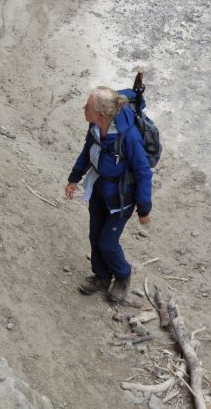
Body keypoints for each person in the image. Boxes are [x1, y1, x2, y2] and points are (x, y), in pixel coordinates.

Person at [65, 86, 152, 302]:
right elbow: (87, 152)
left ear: (101, 114)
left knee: (107, 243)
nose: (83, 108)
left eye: (88, 106)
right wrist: (74, 178)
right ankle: (101, 276)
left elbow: (143, 171)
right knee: (95, 236)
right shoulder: (95, 128)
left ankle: (123, 275)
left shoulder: (129, 138)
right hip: (99, 190)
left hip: (121, 199)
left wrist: (144, 207)